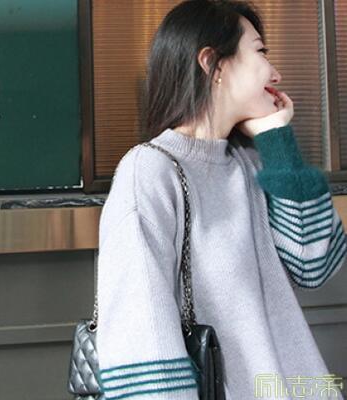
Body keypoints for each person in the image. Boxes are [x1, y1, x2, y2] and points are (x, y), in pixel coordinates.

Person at [96, 1, 347, 399]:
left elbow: (313, 264)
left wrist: (276, 139)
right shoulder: (150, 171)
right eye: (261, 51)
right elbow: (139, 325)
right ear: (213, 63)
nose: (276, 73)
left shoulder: (253, 164)